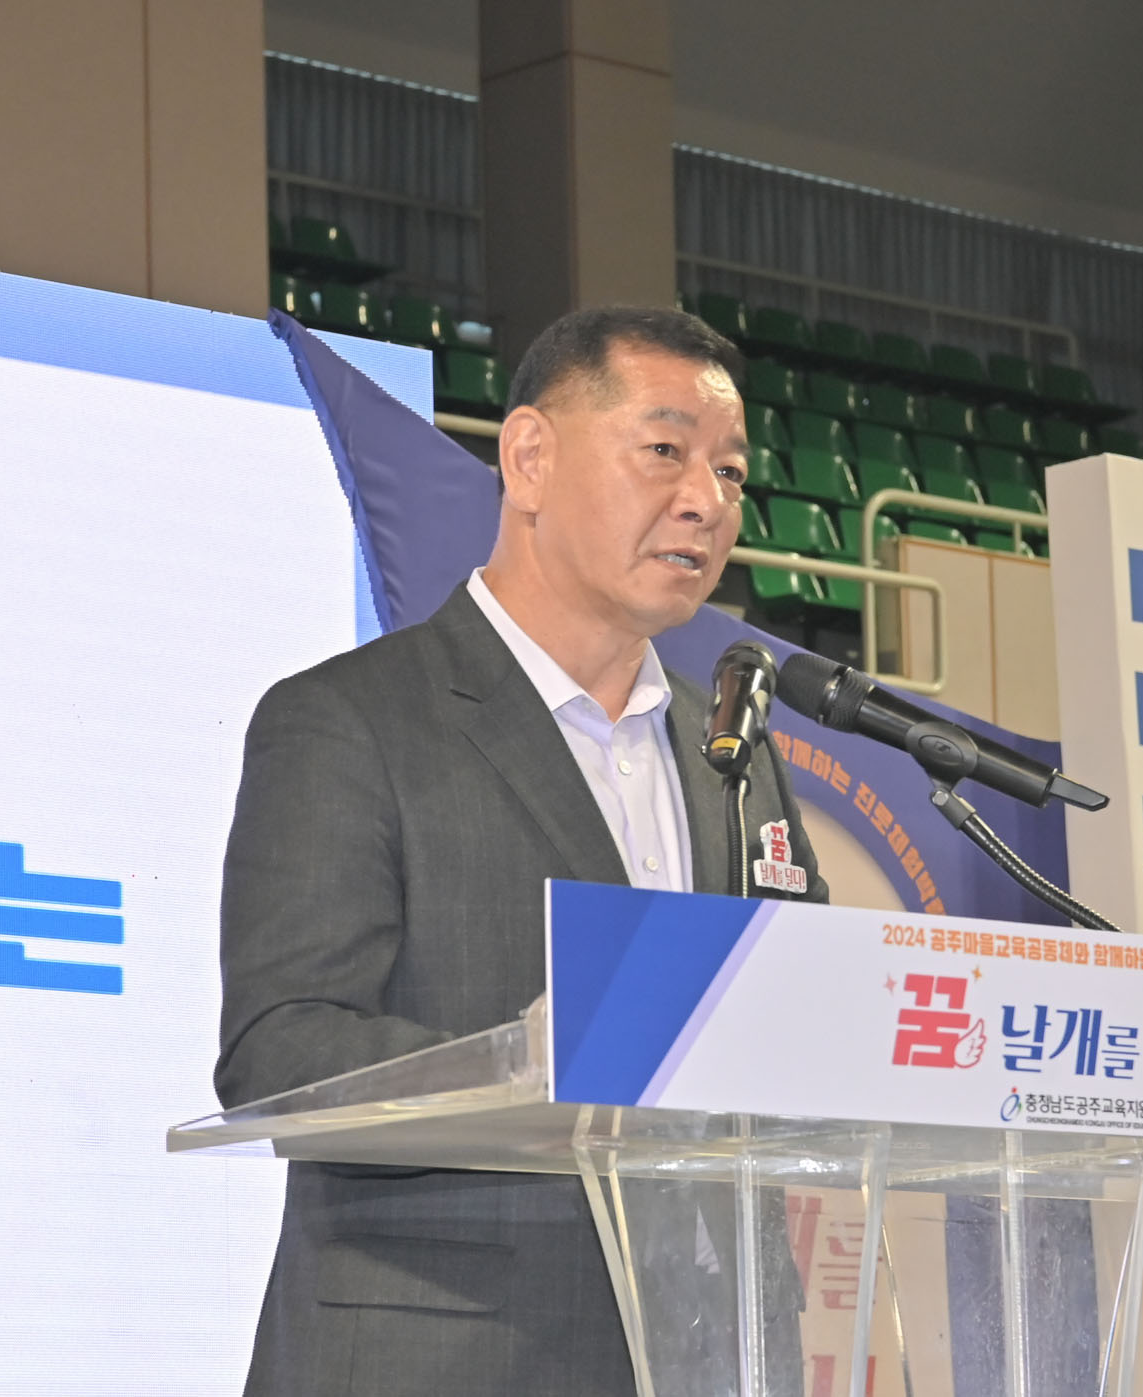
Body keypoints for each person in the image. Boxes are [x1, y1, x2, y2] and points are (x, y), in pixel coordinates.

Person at [214, 306, 828, 1397]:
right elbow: (282, 1049)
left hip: (710, 1356)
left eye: (732, 472)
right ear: (531, 457)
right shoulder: (350, 720)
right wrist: (534, 1066)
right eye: (665, 449)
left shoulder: (731, 752)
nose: (707, 499)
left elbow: (804, 1022)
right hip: (447, 1354)